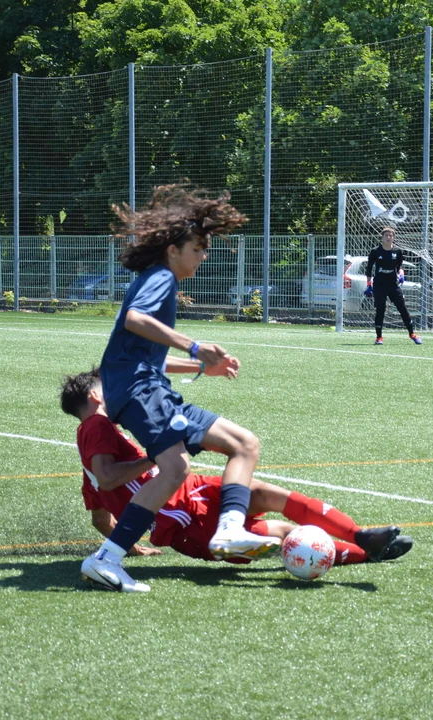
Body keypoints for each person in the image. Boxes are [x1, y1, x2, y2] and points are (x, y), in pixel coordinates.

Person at [79, 184, 283, 593]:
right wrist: (194, 346)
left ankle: (223, 530)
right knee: (198, 461)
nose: (203, 256)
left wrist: (200, 366)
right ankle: (111, 557)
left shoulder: (157, 278)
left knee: (235, 447)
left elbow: (139, 355)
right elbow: (136, 319)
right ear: (173, 250)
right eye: (197, 248)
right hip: (142, 393)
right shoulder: (161, 278)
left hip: (143, 389)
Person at [61, 369, 411, 588]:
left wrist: (128, 546)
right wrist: (155, 458)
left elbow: (99, 517)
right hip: (187, 520)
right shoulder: (96, 425)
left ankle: (361, 536)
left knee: (265, 492)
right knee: (288, 534)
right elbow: (108, 478)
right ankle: (367, 553)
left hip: (196, 491)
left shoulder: (92, 449)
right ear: (96, 396)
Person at [364, 226, 422, 346]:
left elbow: (399, 267)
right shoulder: (375, 251)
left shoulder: (397, 251)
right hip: (379, 284)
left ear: (393, 237)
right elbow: (369, 268)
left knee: (402, 308)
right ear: (382, 237)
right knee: (380, 309)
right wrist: (369, 285)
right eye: (386, 235)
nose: (388, 237)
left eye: (391, 236)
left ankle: (412, 334)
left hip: (393, 284)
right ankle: (379, 337)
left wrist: (401, 274)